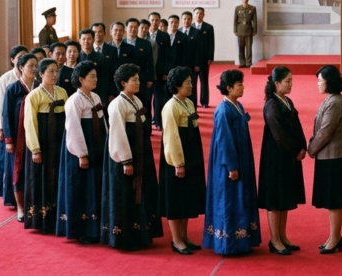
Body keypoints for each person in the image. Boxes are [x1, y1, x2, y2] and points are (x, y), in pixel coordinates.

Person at [101, 63, 163, 249]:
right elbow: (118, 134)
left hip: (141, 153)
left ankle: (141, 233)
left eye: (138, 79)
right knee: (126, 193)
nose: (138, 82)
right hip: (125, 156)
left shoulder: (136, 100)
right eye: (134, 80)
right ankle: (124, 238)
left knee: (142, 191)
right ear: (123, 83)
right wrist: (126, 161)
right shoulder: (117, 104)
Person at [204, 69, 263, 255]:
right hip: (228, 164)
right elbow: (224, 141)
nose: (243, 87)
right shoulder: (223, 110)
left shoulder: (238, 105)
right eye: (239, 85)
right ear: (229, 88)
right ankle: (228, 243)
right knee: (229, 201)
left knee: (241, 199)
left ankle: (242, 240)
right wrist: (232, 167)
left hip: (242, 158)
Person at [258, 66, 307, 255]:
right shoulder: (271, 104)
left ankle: (283, 236)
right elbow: (278, 133)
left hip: (288, 155)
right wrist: (295, 150)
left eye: (291, 80)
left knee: (284, 196)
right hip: (276, 155)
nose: (291, 84)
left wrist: (303, 146)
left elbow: (297, 125)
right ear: (276, 83)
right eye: (287, 81)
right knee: (275, 198)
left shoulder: (287, 101)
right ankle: (275, 240)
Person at [56, 61, 106, 243]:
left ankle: (96, 227)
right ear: (81, 79)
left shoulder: (96, 96)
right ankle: (82, 230)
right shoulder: (74, 100)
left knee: (95, 185)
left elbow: (103, 123)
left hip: (97, 146)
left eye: (96, 76)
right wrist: (82, 154)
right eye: (92, 76)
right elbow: (73, 129)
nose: (95, 79)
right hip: (81, 149)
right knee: (81, 187)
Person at [159, 67, 206, 254]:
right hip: (176, 159)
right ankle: (176, 239)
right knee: (175, 198)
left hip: (191, 155)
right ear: (177, 86)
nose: (191, 85)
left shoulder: (189, 103)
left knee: (186, 197)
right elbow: (171, 138)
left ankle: (184, 236)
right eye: (187, 83)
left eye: (191, 82)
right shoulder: (170, 106)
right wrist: (178, 163)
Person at [308, 65, 342, 254]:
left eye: (320, 80)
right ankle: (333, 237)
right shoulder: (331, 99)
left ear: (329, 82)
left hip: (334, 157)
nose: (318, 84)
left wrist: (310, 149)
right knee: (331, 200)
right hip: (328, 156)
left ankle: (335, 239)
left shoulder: (335, 102)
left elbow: (325, 132)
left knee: (334, 201)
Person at [22, 58, 69, 233]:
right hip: (42, 143)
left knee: (58, 177)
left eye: (56, 71)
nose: (55, 74)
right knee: (41, 179)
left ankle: (59, 217)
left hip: (59, 142)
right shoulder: (34, 96)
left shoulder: (62, 92)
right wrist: (35, 150)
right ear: (40, 74)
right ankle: (42, 220)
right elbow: (30, 124)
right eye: (51, 71)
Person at [3, 53, 39, 221]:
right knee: (19, 171)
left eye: (36, 65)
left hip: (37, 135)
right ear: (21, 67)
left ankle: (37, 205)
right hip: (19, 138)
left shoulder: (40, 86)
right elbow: (6, 115)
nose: (34, 69)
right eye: (30, 65)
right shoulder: (13, 89)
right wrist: (8, 140)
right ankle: (21, 208)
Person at [0, 44, 29, 207]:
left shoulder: (32, 78)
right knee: (9, 162)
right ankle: (10, 196)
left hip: (26, 127)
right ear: (13, 60)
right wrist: (0, 128)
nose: (22, 60)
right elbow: (0, 105)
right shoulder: (6, 78)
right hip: (11, 127)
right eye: (19, 57)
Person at [161, 15, 190, 129]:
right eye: (171, 22)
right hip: (165, 72)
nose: (173, 24)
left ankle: (179, 116)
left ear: (178, 24)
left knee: (178, 93)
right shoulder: (164, 36)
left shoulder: (183, 37)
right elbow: (162, 56)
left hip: (178, 71)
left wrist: (182, 72)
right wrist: (164, 72)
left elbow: (186, 55)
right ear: (168, 24)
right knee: (166, 94)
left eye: (176, 22)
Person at [124, 18, 154, 112]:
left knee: (143, 104)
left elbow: (150, 62)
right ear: (126, 28)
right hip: (125, 80)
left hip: (142, 79)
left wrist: (150, 79)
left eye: (135, 27)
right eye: (131, 27)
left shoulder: (145, 43)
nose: (133, 29)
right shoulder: (122, 43)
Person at [101, 22, 135, 100]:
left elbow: (132, 66)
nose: (118, 32)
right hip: (109, 83)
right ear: (111, 32)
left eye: (120, 30)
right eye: (115, 30)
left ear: (124, 32)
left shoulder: (130, 48)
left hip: (125, 83)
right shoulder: (106, 48)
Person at [192, 7, 216, 107]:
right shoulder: (190, 27)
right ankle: (192, 102)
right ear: (194, 14)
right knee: (192, 82)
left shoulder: (208, 27)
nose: (198, 15)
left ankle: (204, 101)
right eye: (197, 13)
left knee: (204, 81)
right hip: (192, 59)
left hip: (204, 59)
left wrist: (210, 57)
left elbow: (211, 43)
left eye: (200, 13)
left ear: (203, 15)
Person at [235, 0, 258, 68]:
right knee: (241, 48)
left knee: (249, 48)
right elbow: (235, 20)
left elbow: (255, 20)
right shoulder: (237, 8)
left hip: (249, 30)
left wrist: (254, 30)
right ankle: (242, 62)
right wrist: (235, 30)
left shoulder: (252, 8)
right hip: (240, 30)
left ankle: (248, 62)